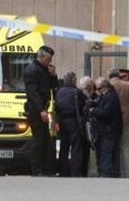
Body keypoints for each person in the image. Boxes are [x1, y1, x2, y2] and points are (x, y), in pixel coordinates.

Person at [24, 45, 58, 176]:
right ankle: (37, 170)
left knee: (45, 140)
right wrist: (41, 110)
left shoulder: (43, 70)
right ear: (41, 56)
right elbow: (33, 92)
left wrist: (53, 75)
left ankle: (45, 169)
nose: (50, 62)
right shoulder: (32, 70)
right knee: (39, 140)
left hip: (42, 108)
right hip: (36, 110)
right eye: (49, 59)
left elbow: (53, 86)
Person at [88, 77, 122, 177]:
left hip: (109, 130)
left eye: (98, 89)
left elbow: (106, 113)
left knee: (106, 153)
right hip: (109, 129)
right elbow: (100, 104)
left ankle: (106, 175)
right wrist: (93, 103)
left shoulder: (111, 96)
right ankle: (113, 174)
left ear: (105, 87)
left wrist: (93, 110)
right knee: (112, 154)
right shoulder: (107, 95)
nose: (97, 91)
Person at [55, 72, 86, 177]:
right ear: (73, 80)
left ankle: (63, 171)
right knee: (76, 146)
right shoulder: (77, 92)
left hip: (62, 121)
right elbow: (84, 105)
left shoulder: (59, 92)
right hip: (74, 121)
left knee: (64, 147)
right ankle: (75, 171)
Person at [108, 67, 129, 178]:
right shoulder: (128, 86)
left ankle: (114, 171)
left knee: (111, 146)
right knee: (125, 147)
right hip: (126, 118)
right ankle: (127, 172)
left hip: (111, 119)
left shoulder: (108, 85)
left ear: (110, 75)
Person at [78, 76, 97, 176]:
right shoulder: (81, 95)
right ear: (89, 85)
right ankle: (82, 171)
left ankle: (84, 171)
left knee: (86, 149)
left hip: (87, 126)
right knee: (83, 149)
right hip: (84, 126)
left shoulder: (91, 94)